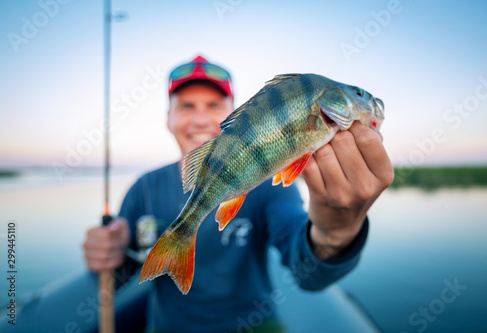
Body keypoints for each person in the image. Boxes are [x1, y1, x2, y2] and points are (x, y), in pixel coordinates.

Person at [83, 55, 394, 333]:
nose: (201, 118)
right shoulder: (144, 188)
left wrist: (336, 230)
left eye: (214, 106)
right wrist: (114, 254)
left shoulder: (271, 188)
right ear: (168, 118)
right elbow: (116, 280)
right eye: (186, 106)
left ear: (235, 113)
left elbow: (308, 274)